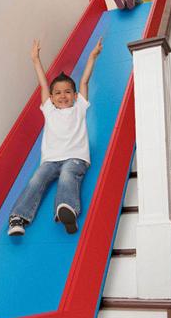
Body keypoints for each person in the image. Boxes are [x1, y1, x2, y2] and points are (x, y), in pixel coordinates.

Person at [8, 38, 102, 236]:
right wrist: (35, 60)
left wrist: (92, 57)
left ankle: (67, 210)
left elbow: (84, 80)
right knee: (36, 179)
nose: (63, 96)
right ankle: (18, 217)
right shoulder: (49, 111)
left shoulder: (80, 108)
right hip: (50, 160)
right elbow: (43, 85)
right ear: (51, 98)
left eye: (68, 92)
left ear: (75, 95)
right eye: (58, 93)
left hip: (75, 157)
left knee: (68, 175)